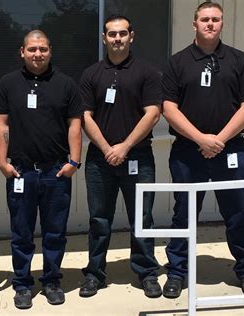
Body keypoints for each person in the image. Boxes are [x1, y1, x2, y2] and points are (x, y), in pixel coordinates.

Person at [162, 2, 244, 298]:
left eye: (216, 19)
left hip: (230, 150)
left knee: (237, 213)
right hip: (187, 152)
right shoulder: (177, 62)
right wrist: (201, 140)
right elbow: (169, 108)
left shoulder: (238, 60)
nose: (210, 24)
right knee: (184, 214)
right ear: (194, 24)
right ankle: (177, 272)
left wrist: (218, 140)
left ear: (222, 24)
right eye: (205, 19)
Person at [0, 30, 83, 309]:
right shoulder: (8, 83)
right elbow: (2, 125)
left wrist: (74, 162)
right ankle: (22, 283)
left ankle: (52, 280)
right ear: (22, 51)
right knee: (21, 232)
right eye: (32, 49)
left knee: (54, 231)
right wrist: (1, 161)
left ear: (50, 51)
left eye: (42, 49)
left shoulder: (66, 84)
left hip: (56, 171)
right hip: (21, 172)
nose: (37, 54)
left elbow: (75, 126)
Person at [78, 14, 162, 299]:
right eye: (111, 34)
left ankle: (147, 272)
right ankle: (95, 273)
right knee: (99, 219)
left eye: (122, 33)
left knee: (142, 217)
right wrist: (107, 148)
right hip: (99, 160)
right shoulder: (91, 74)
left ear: (131, 36)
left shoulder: (147, 72)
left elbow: (153, 113)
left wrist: (124, 147)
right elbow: (85, 116)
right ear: (104, 38)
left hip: (138, 156)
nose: (117, 38)